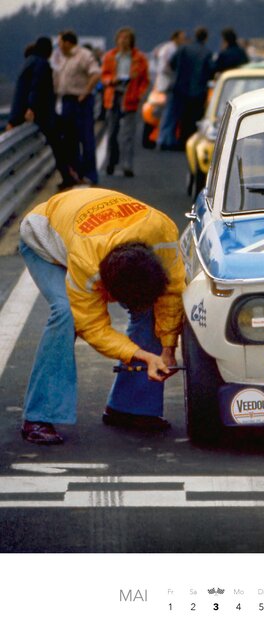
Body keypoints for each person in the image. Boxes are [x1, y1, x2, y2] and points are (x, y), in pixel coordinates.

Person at [17, 188, 186, 444]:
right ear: (105, 288)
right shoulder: (87, 263)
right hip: (43, 239)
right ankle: (38, 416)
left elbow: (171, 293)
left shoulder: (164, 232)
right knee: (65, 313)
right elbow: (92, 326)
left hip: (90, 229)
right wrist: (142, 355)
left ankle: (130, 408)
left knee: (152, 308)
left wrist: (168, 349)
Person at [6, 36, 80, 190]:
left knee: (58, 142)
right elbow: (36, 87)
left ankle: (69, 174)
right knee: (59, 142)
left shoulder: (30, 61)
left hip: (26, 112)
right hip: (42, 114)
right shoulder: (41, 63)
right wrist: (31, 108)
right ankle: (68, 174)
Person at [54, 29, 101, 185]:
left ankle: (90, 174)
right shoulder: (62, 58)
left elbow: (96, 73)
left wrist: (86, 92)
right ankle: (76, 173)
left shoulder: (83, 55)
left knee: (86, 138)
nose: (59, 46)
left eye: (60, 42)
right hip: (66, 100)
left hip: (81, 100)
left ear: (68, 42)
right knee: (70, 139)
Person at [101, 27, 149, 178]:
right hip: (114, 94)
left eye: (126, 38)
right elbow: (103, 75)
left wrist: (139, 94)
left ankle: (127, 164)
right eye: (121, 38)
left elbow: (145, 80)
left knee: (128, 134)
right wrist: (111, 80)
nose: (123, 41)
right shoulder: (110, 56)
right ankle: (111, 162)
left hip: (130, 95)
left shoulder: (139, 58)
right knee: (112, 132)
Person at [162, 26, 213, 150]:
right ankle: (189, 142)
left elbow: (172, 63)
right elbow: (210, 70)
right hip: (198, 90)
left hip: (180, 87)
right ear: (206, 38)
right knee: (194, 118)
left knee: (177, 116)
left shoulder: (183, 48)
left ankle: (171, 140)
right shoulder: (207, 52)